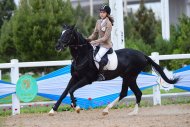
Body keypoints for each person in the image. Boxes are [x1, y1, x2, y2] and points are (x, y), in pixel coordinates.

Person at [87, 5, 114, 81]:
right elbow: (94, 33)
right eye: (101, 12)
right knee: (90, 53)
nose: (101, 14)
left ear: (107, 14)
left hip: (106, 45)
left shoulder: (109, 24)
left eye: (103, 12)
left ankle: (101, 74)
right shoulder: (98, 22)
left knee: (97, 58)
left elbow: (105, 38)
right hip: (99, 43)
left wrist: (95, 41)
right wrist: (88, 39)